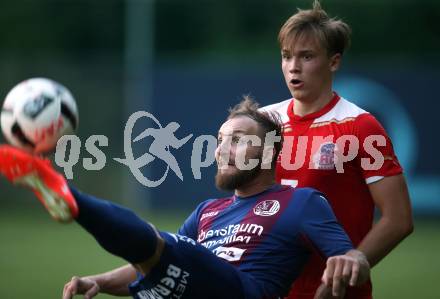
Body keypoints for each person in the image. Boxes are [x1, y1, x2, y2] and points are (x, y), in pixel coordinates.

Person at [0, 98, 370, 299]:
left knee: (165, 246)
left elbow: (351, 256)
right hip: (192, 289)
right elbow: (158, 261)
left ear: (271, 153)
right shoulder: (208, 211)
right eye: (221, 139)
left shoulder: (302, 201)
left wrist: (352, 260)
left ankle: (66, 194)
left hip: (242, 291)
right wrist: (99, 280)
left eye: (239, 140)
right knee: (164, 250)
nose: (223, 149)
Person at [261, 1, 413, 298]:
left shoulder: (361, 127)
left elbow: (399, 218)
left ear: (334, 62)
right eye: (286, 56)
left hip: (333, 292)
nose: (293, 67)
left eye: (306, 56)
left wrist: (355, 261)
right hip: (266, 288)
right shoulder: (263, 122)